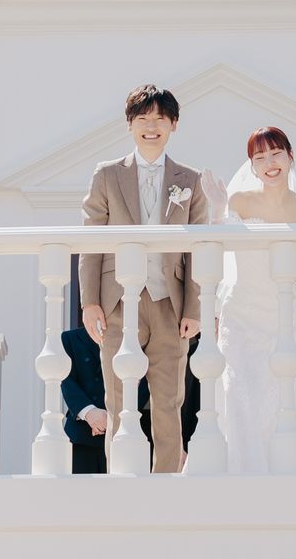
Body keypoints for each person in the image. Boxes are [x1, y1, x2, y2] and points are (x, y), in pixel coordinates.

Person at [79, 84, 209, 473]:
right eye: (143, 119)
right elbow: (91, 240)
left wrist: (194, 307)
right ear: (130, 125)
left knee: (169, 401)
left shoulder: (190, 179)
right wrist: (89, 301)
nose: (151, 127)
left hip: (170, 304)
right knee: (118, 398)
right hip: (118, 302)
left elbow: (198, 248)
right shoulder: (107, 175)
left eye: (159, 119)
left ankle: (165, 484)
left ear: (174, 124)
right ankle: (123, 480)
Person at [201, 126, 296, 472]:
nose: (269, 163)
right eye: (260, 157)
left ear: (290, 156)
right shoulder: (240, 202)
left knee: (294, 390)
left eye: (276, 153)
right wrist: (217, 210)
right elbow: (219, 247)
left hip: (285, 314)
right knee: (240, 392)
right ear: (252, 165)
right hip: (243, 314)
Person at [60, 326, 110, 474]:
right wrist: (89, 412)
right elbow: (66, 379)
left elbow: (144, 383)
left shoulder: (136, 336)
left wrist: (113, 417)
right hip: (81, 436)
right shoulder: (69, 339)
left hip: (123, 434)